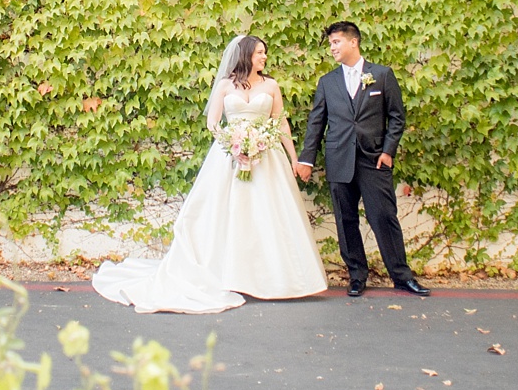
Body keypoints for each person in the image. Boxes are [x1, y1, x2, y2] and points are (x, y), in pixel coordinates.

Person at [93, 34, 328, 313]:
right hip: (230, 158)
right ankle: (229, 274)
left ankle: (272, 278)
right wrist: (234, 144)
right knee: (227, 215)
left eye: (265, 52)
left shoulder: (272, 85)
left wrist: (293, 158)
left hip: (267, 158)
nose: (264, 57)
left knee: (268, 215)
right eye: (259, 53)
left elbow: (280, 123)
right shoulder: (226, 86)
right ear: (245, 56)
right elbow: (213, 123)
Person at [295, 21, 429, 298]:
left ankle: (402, 276)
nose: (332, 47)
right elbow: (316, 124)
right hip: (339, 160)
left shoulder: (381, 75)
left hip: (374, 160)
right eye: (331, 43)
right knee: (345, 221)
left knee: (383, 217)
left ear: (353, 42)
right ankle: (356, 275)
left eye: (336, 42)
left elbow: (396, 117)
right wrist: (307, 159)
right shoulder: (327, 82)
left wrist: (388, 151)